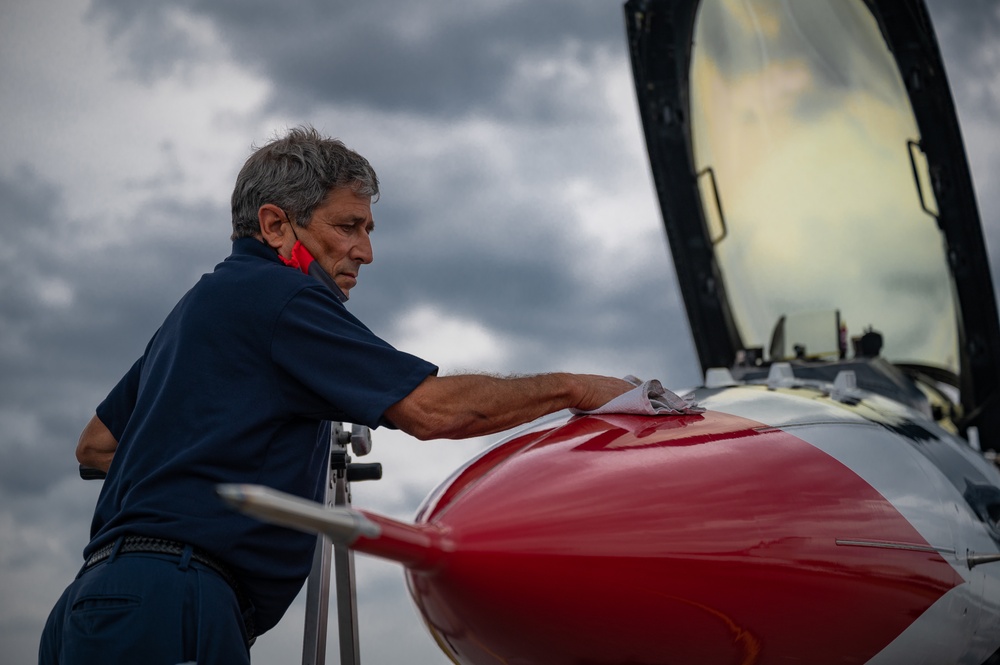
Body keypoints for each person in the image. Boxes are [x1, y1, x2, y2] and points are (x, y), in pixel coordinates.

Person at [39, 126, 633, 664]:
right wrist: (573, 387)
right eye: (348, 226)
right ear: (276, 226)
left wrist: (195, 478)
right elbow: (431, 409)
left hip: (93, 604)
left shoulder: (201, 306)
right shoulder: (283, 296)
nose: (365, 252)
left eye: (368, 230)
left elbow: (95, 445)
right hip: (175, 603)